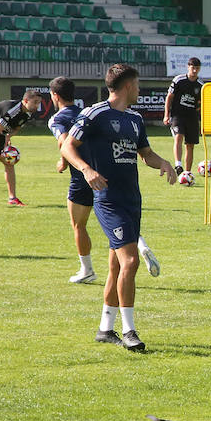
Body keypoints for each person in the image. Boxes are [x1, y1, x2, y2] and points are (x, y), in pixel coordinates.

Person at [59, 64, 175, 352]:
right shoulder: (94, 113)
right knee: (130, 262)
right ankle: (130, 330)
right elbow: (67, 146)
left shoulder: (135, 119)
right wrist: (86, 169)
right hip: (108, 200)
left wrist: (163, 163)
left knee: (115, 265)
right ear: (126, 86)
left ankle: (105, 328)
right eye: (137, 84)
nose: (139, 89)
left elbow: (145, 154)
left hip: (132, 199)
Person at [49, 77, 162, 284]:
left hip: (84, 176)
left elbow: (65, 142)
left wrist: (64, 164)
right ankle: (138, 243)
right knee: (118, 219)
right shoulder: (87, 111)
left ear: (54, 96)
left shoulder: (59, 118)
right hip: (111, 174)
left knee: (79, 225)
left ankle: (87, 269)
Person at [163, 57, 202, 177]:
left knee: (190, 145)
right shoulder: (179, 80)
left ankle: (187, 173)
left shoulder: (201, 85)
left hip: (192, 117)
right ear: (188, 67)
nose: (194, 71)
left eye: (197, 68)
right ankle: (178, 164)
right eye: (193, 68)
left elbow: (203, 104)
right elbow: (169, 97)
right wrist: (166, 115)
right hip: (178, 115)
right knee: (178, 136)